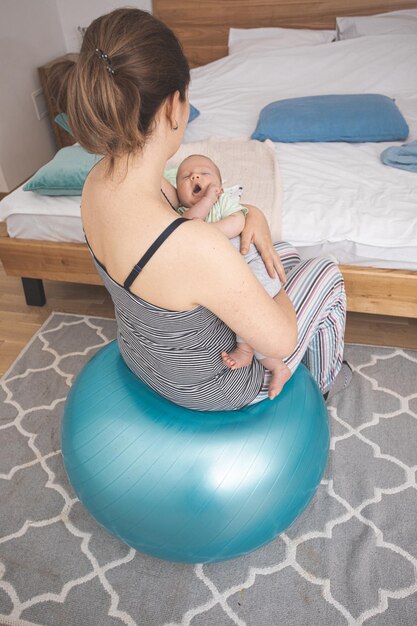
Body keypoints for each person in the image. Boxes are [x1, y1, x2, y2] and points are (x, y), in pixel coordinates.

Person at [50, 7, 349, 411]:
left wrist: (251, 215)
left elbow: (181, 220)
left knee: (284, 253)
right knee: (325, 272)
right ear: (174, 107)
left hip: (144, 356)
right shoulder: (195, 245)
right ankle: (324, 388)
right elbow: (280, 339)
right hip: (213, 384)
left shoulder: (95, 185)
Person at [174, 153, 291, 399]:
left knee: (248, 307)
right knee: (248, 311)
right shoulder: (184, 213)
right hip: (232, 276)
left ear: (219, 185)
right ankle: (277, 366)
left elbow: (238, 222)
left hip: (254, 266)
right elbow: (187, 225)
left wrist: (207, 226)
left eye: (205, 173)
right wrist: (205, 200)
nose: (195, 176)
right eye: (186, 176)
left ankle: (245, 349)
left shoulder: (224, 201)